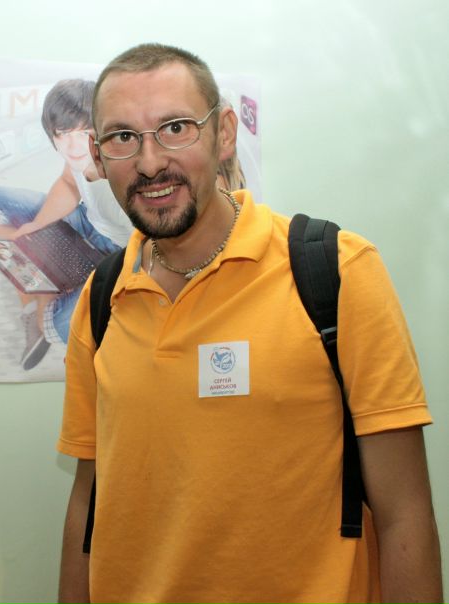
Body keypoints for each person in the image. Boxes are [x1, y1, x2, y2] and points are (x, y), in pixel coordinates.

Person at [56, 44, 443, 604]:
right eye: (122, 137)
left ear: (226, 134)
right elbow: (87, 501)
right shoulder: (101, 298)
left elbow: (404, 512)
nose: (150, 162)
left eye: (176, 128)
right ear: (97, 155)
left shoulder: (336, 271)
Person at [0, 79, 134, 370]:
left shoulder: (127, 169)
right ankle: (34, 274)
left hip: (117, 257)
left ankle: (36, 283)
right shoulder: (79, 156)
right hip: (85, 223)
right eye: (62, 134)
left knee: (54, 326)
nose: (72, 145)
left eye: (84, 132)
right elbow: (68, 184)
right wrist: (36, 226)